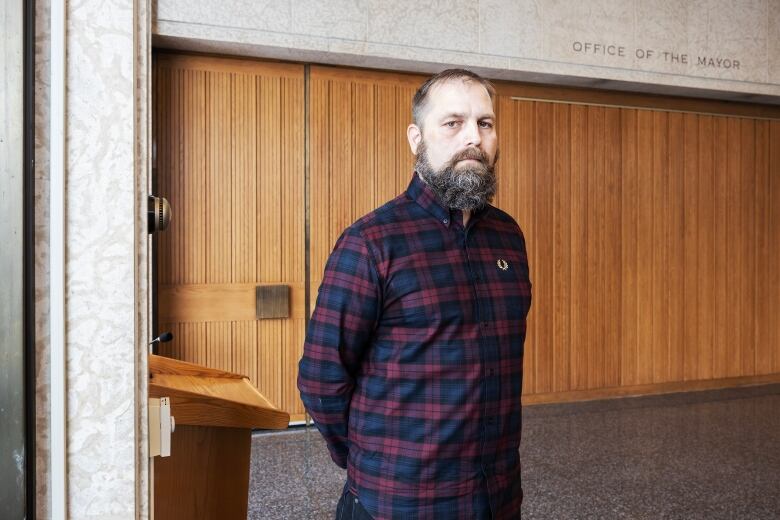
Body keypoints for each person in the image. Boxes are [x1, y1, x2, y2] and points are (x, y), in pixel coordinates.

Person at [298, 69, 532, 519]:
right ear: (416, 137)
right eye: (453, 123)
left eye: (485, 123)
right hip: (399, 501)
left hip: (496, 497)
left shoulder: (507, 237)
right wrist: (371, 459)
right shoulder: (371, 242)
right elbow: (322, 378)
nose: (473, 138)